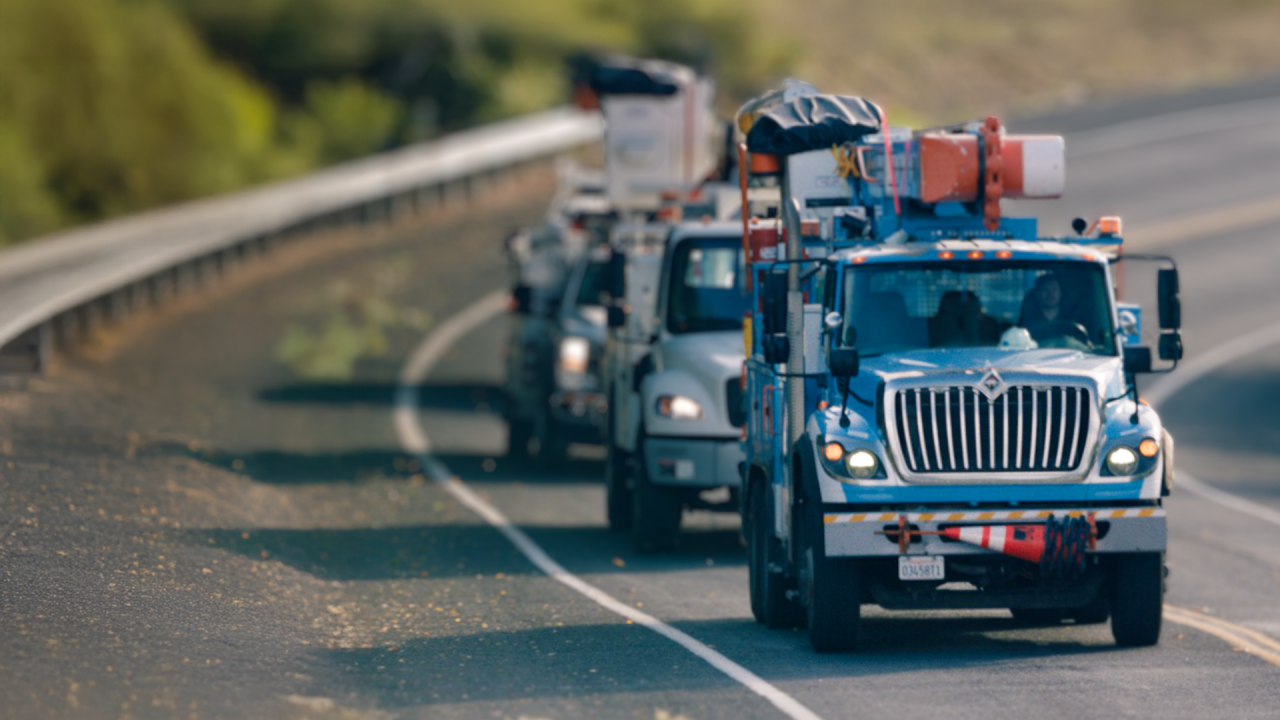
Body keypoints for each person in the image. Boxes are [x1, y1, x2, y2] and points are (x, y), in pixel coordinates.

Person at [1020, 274, 1089, 348]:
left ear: (1060, 292)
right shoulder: (1027, 323)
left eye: (1054, 289)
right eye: (1045, 289)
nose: (1050, 294)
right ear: (1037, 294)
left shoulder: (1074, 320)